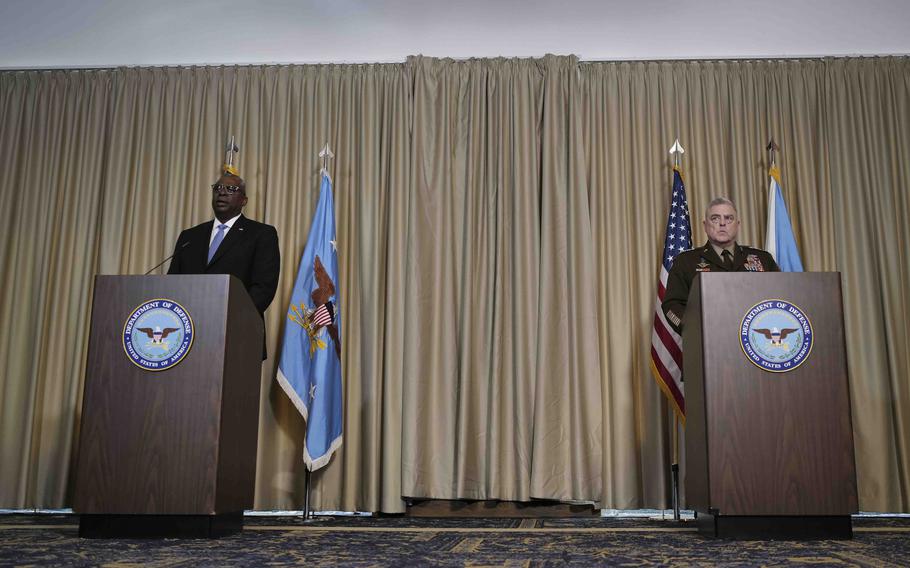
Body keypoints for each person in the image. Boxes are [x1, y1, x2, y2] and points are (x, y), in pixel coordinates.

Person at [168, 169, 280, 356]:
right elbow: (172, 282)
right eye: (218, 188)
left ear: (243, 201)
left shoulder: (261, 234)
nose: (222, 192)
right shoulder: (190, 236)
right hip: (187, 336)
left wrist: (227, 318)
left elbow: (264, 287)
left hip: (237, 334)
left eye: (231, 189)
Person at [662, 197, 779, 333]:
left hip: (757, 340)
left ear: (738, 225)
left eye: (729, 218)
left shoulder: (763, 259)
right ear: (705, 225)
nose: (722, 223)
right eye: (715, 218)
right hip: (708, 341)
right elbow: (672, 305)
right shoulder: (686, 261)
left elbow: (780, 297)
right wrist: (693, 329)